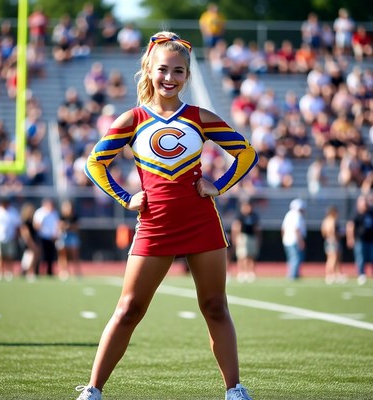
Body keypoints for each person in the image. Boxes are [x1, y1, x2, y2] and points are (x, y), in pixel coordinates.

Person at [76, 31, 258, 400]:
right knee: (128, 309)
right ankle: (93, 391)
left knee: (215, 306)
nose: (170, 77)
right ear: (149, 68)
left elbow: (247, 154)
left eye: (178, 71)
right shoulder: (133, 118)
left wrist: (218, 185)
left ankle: (234, 390)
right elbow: (95, 164)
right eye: (163, 69)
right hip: (154, 225)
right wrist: (126, 198)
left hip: (201, 222)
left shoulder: (200, 117)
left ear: (187, 76)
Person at [0, 195, 21, 281]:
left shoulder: (13, 212)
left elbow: (17, 226)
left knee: (9, 256)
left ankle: (9, 272)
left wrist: (16, 236)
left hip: (10, 238)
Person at [230, 200, 261, 282]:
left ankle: (251, 272)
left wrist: (258, 238)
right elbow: (236, 228)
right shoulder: (239, 216)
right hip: (242, 237)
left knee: (251, 255)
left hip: (252, 237)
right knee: (242, 256)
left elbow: (257, 228)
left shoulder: (254, 216)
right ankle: (242, 272)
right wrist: (235, 238)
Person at [346, 194, 373, 285]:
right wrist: (350, 238)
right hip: (360, 240)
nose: (365, 204)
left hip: (370, 240)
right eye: (363, 202)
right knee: (360, 258)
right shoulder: (356, 213)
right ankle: (361, 274)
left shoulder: (370, 212)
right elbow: (350, 226)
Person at [33, 198, 60, 276]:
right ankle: (37, 271)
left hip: (51, 238)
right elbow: (36, 225)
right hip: (42, 237)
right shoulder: (40, 212)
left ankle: (49, 271)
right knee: (40, 255)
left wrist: (56, 235)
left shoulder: (54, 213)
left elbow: (57, 225)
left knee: (50, 255)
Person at [56, 199, 81, 280]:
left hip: (72, 236)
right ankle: (64, 271)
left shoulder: (74, 216)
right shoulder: (61, 216)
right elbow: (59, 226)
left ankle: (77, 272)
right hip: (63, 236)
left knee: (75, 254)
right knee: (63, 255)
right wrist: (65, 226)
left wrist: (68, 227)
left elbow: (76, 227)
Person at [281, 198, 306, 280]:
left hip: (287, 240)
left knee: (291, 259)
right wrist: (300, 241)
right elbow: (297, 229)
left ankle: (292, 273)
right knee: (296, 258)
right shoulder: (297, 215)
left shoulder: (288, 214)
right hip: (294, 240)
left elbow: (283, 229)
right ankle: (293, 275)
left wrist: (283, 239)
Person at [321, 206, 346, 284]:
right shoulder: (331, 220)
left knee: (333, 258)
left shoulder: (325, 220)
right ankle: (330, 275)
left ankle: (335, 274)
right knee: (333, 258)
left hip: (328, 240)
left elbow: (323, 232)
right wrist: (334, 238)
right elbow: (331, 231)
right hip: (333, 241)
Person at [19, 202, 40, 282]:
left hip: (32, 241)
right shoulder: (25, 222)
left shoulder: (32, 222)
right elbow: (26, 234)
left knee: (28, 257)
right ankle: (29, 272)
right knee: (32, 256)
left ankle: (27, 272)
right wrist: (31, 243)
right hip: (28, 242)